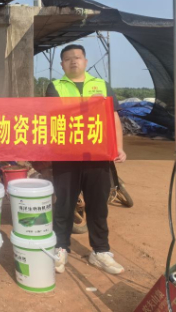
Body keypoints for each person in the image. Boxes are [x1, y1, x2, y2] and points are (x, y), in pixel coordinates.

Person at [46, 44, 127, 275]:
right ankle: (61, 247)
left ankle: (100, 251)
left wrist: (118, 147)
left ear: (85, 61)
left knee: (98, 205)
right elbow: (52, 119)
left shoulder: (101, 85)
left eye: (78, 57)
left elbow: (113, 117)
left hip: (97, 157)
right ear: (62, 64)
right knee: (64, 204)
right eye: (68, 59)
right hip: (66, 157)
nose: (73, 61)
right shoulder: (55, 87)